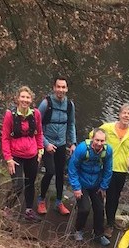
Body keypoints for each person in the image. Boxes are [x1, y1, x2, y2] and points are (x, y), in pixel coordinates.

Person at [1, 86, 44, 222]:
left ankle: (29, 211)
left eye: (28, 97)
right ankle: (6, 208)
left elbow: (39, 133)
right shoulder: (10, 115)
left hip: (32, 155)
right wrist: (8, 158)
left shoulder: (35, 114)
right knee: (18, 185)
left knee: (30, 183)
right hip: (16, 156)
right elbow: (5, 137)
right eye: (23, 97)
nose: (25, 100)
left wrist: (40, 150)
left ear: (31, 100)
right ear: (18, 99)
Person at [98, 103, 129, 235]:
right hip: (106, 166)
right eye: (124, 113)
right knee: (103, 194)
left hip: (121, 169)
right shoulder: (107, 127)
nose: (126, 115)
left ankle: (110, 221)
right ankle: (103, 222)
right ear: (119, 114)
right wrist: (99, 151)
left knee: (115, 197)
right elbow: (93, 135)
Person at [37, 76, 77, 216]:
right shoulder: (45, 103)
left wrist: (73, 143)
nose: (60, 90)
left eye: (63, 87)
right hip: (47, 143)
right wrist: (46, 144)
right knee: (49, 171)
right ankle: (41, 199)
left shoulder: (69, 105)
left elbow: (71, 124)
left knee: (61, 173)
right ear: (54, 88)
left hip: (61, 144)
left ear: (66, 89)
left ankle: (59, 202)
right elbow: (37, 125)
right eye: (58, 87)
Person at [68, 128, 113, 246]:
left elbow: (108, 169)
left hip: (96, 183)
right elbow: (72, 168)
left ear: (105, 141)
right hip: (82, 182)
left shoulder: (107, 151)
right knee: (84, 208)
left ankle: (98, 234)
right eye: (97, 140)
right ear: (92, 138)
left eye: (102, 141)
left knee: (99, 208)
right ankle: (79, 230)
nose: (99, 143)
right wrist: (76, 187)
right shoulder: (82, 149)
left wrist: (103, 186)